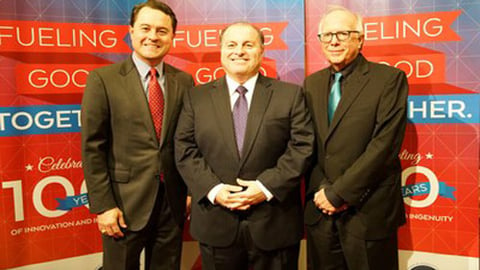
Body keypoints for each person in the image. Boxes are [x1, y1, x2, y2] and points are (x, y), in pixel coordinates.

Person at [174, 22, 314, 270]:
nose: (239, 51)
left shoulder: (290, 95)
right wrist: (214, 190)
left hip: (274, 225)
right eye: (231, 44)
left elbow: (302, 147)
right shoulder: (196, 97)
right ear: (221, 51)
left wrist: (265, 187)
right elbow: (184, 149)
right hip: (216, 225)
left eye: (248, 45)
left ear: (261, 51)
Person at [81, 1, 194, 269]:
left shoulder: (185, 81)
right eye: (145, 28)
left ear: (172, 37)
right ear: (131, 32)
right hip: (122, 205)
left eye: (162, 30)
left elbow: (189, 141)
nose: (153, 36)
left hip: (172, 204)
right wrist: (103, 206)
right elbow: (92, 147)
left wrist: (190, 191)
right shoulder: (102, 79)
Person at [303, 5, 408, 270]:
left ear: (360, 39)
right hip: (321, 210)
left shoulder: (389, 79)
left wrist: (339, 193)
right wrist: (324, 193)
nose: (333, 41)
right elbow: (308, 144)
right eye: (326, 35)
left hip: (368, 211)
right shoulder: (311, 84)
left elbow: (384, 145)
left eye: (342, 33)